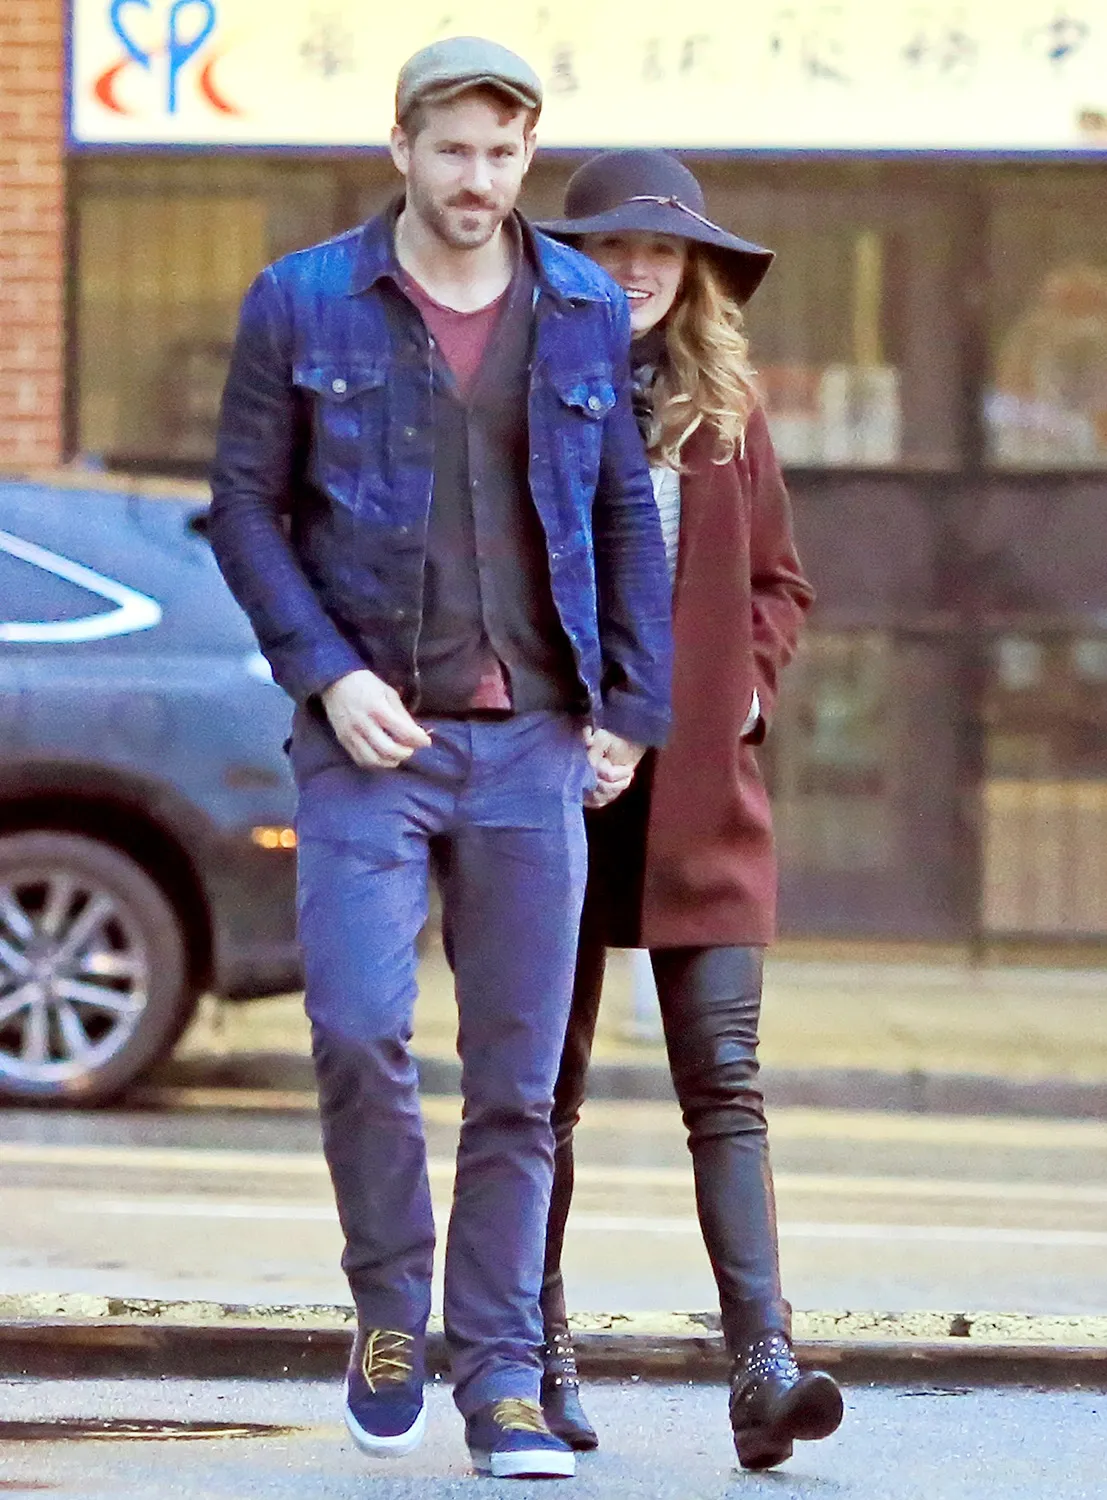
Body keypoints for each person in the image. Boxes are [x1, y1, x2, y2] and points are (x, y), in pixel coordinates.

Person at [208, 43, 672, 1482]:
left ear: (527, 156)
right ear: (401, 146)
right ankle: (389, 1315)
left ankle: (504, 1379)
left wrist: (632, 707)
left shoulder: (581, 306)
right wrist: (328, 674)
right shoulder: (301, 301)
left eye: (504, 154)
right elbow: (243, 507)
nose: (481, 181)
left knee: (521, 1083)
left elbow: (620, 513)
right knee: (357, 1029)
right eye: (455, 151)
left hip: (535, 742)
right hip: (371, 742)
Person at [534, 150, 843, 1472]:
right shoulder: (522, 389)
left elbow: (778, 583)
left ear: (694, 270)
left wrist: (744, 694)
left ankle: (763, 1368)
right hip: (555, 789)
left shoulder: (725, 411)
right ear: (571, 262)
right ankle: (532, 1351)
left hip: (701, 797)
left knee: (724, 1087)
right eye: (610, 246)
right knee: (536, 1094)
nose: (637, 269)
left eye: (660, 250)